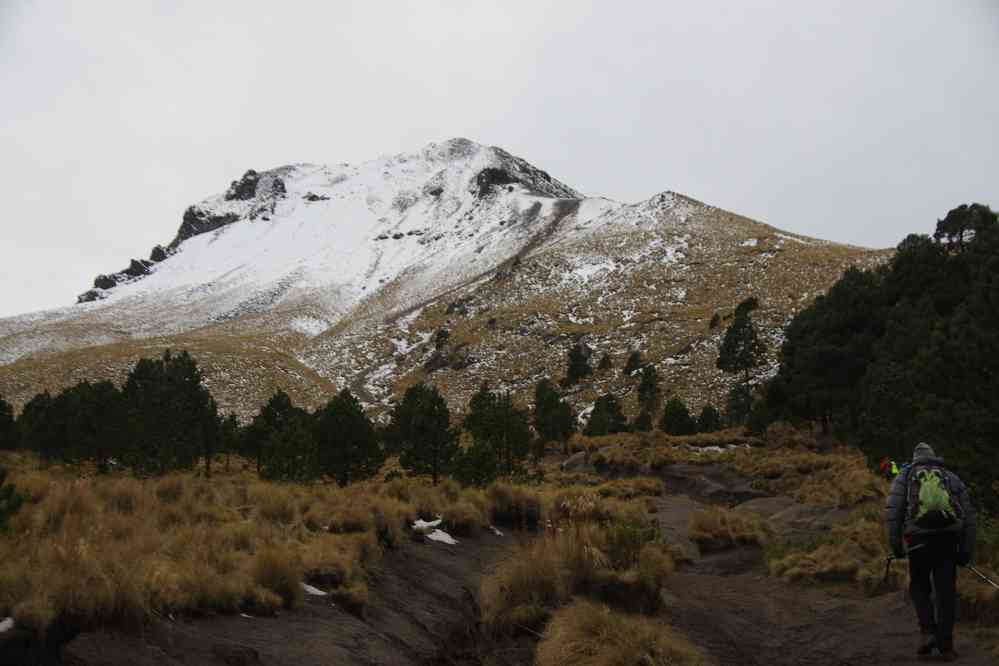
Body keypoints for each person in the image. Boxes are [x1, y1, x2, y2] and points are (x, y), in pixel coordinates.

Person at [885, 442, 976, 661]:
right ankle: (946, 647)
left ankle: (927, 633)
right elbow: (969, 517)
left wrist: (896, 547)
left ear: (914, 458)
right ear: (934, 457)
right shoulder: (950, 477)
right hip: (947, 541)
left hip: (917, 541)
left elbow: (893, 514)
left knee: (920, 587)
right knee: (945, 593)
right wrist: (965, 551)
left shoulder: (904, 477)